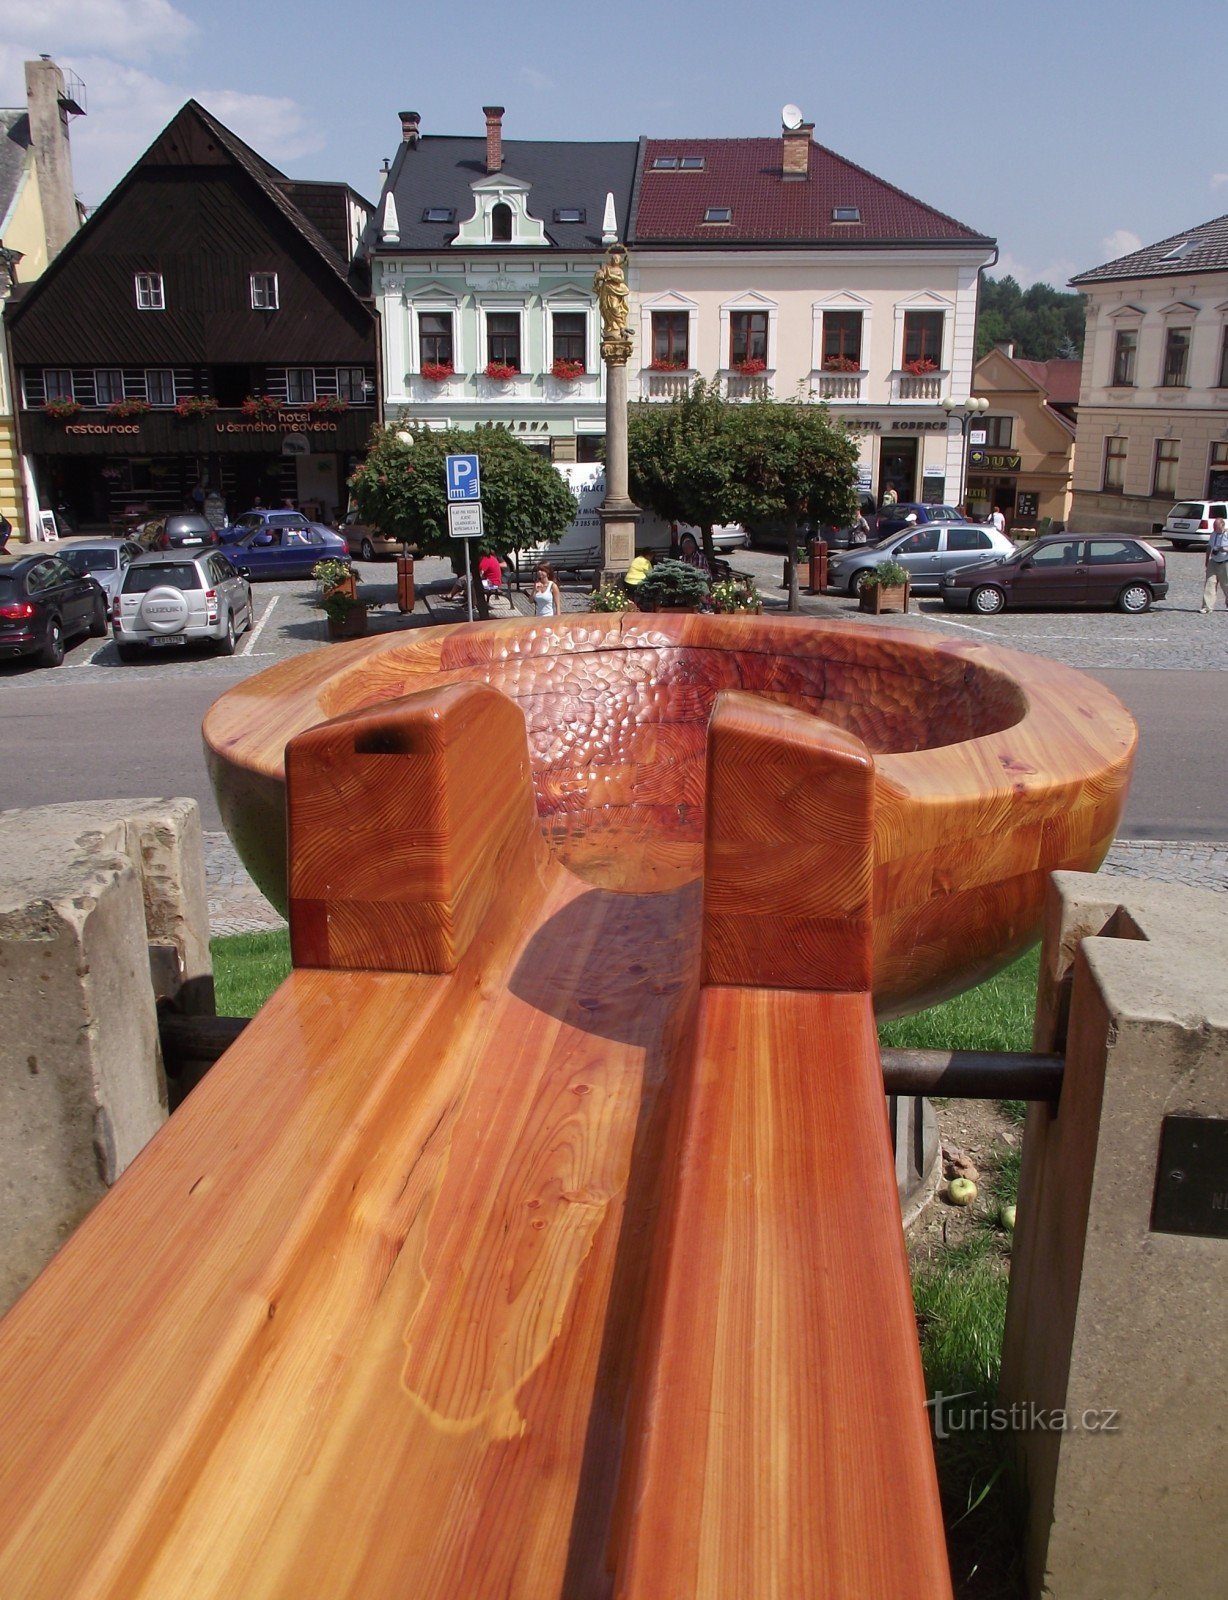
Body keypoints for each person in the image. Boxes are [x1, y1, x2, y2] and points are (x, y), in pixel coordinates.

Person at [1201, 517, 1228, 613]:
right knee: (1209, 583)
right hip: (1214, 561)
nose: (1215, 529)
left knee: (1226, 585)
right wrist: (1207, 560)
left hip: (1225, 561)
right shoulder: (1213, 534)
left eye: (1216, 527)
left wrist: (1224, 550)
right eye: (1214, 527)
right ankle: (1207, 607)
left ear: (1222, 525)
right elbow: (1209, 547)